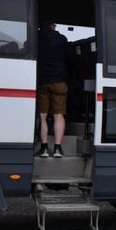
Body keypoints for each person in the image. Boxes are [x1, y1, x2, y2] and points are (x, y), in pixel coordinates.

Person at [36, 20, 68, 158]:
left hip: (43, 81)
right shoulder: (61, 39)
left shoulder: (36, 39)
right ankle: (57, 149)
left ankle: (43, 148)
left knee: (42, 117)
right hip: (59, 81)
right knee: (58, 115)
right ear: (51, 26)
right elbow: (70, 57)